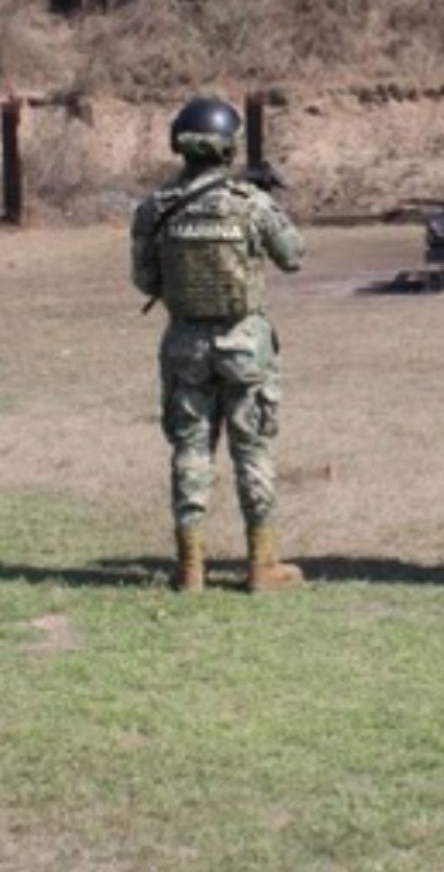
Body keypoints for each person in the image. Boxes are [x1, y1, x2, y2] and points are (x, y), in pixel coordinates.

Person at [130, 96, 306, 594]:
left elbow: (144, 281)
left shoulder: (156, 208)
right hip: (245, 345)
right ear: (228, 148)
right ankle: (262, 564)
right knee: (252, 450)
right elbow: (293, 256)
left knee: (191, 451)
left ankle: (190, 567)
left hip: (184, 343)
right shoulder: (250, 204)